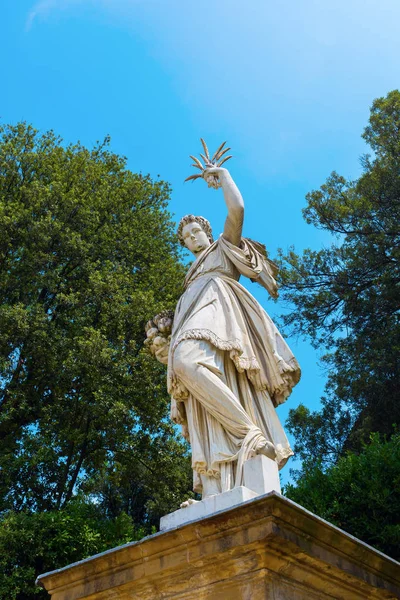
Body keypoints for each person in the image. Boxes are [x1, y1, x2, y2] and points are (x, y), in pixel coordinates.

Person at [167, 166, 300, 500]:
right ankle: (217, 486)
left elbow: (237, 209)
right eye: (186, 238)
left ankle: (249, 434)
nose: (192, 238)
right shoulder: (190, 277)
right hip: (197, 318)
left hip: (220, 314)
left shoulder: (223, 248)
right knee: (200, 394)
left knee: (186, 361)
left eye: (196, 231)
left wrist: (222, 175)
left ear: (207, 231)